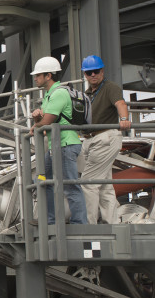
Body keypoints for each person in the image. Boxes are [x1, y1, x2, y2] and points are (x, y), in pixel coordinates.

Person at [29, 56, 87, 225]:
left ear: (48, 76)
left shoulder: (59, 93)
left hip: (66, 145)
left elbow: (47, 122)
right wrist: (37, 121)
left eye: (38, 75)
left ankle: (79, 223)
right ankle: (51, 220)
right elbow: (43, 124)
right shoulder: (49, 95)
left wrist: (37, 123)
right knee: (42, 181)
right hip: (57, 145)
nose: (35, 78)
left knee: (70, 185)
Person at [77, 55, 131, 224]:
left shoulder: (110, 87)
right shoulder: (86, 94)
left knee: (88, 183)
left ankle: (88, 225)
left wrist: (124, 119)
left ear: (102, 71)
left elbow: (120, 104)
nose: (93, 75)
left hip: (104, 138)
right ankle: (112, 224)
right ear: (85, 75)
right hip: (92, 139)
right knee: (105, 186)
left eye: (96, 71)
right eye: (88, 72)